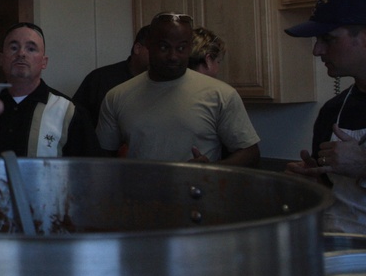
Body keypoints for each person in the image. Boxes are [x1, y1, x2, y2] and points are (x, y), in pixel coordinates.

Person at [96, 12, 260, 165]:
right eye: (164, 47)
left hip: (198, 193)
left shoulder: (221, 95)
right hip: (139, 194)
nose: (173, 56)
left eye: (181, 48)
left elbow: (250, 153)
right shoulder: (117, 96)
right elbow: (104, 158)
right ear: (149, 46)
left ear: (189, 48)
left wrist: (212, 170)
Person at [284, 0, 366, 234]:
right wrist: (313, 184)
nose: (317, 50)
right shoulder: (333, 111)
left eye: (328, 39)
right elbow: (330, 189)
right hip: (341, 250)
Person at [0, 22, 100, 157]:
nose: (21, 53)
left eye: (31, 48)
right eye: (14, 47)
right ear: (1, 59)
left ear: (44, 62)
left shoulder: (69, 112)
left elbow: (90, 172)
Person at [72, 25, 150, 128]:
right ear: (137, 48)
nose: (162, 55)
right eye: (156, 48)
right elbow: (75, 121)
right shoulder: (99, 79)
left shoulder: (167, 83)